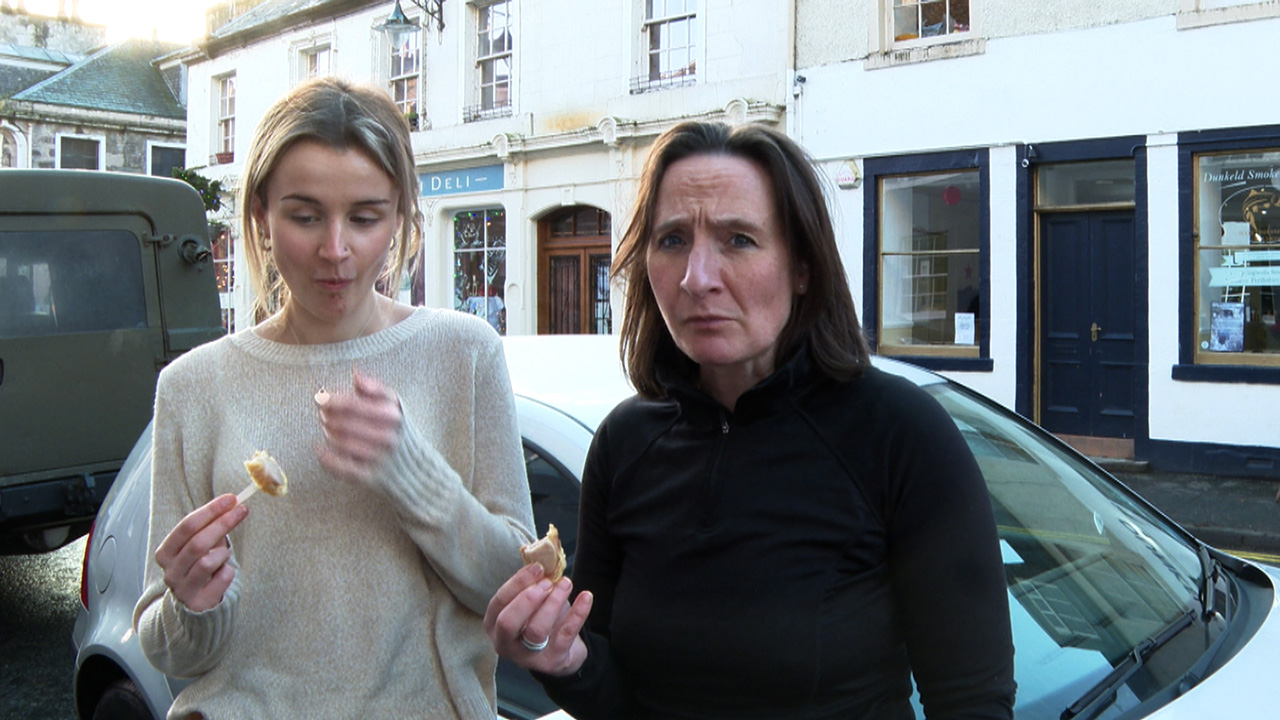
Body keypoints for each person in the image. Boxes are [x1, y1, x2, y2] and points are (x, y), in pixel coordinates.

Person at [484, 121, 1016, 719]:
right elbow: (626, 700)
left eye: (738, 240)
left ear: (802, 266)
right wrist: (565, 662)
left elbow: (973, 703)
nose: (697, 277)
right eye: (672, 240)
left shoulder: (899, 433)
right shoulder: (625, 444)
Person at [133, 77, 534, 719]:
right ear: (262, 215)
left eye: (366, 218)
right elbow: (168, 648)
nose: (336, 249)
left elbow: (515, 592)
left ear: (402, 216)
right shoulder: (193, 386)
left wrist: (416, 479)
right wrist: (194, 605)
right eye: (305, 215)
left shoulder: (466, 353)